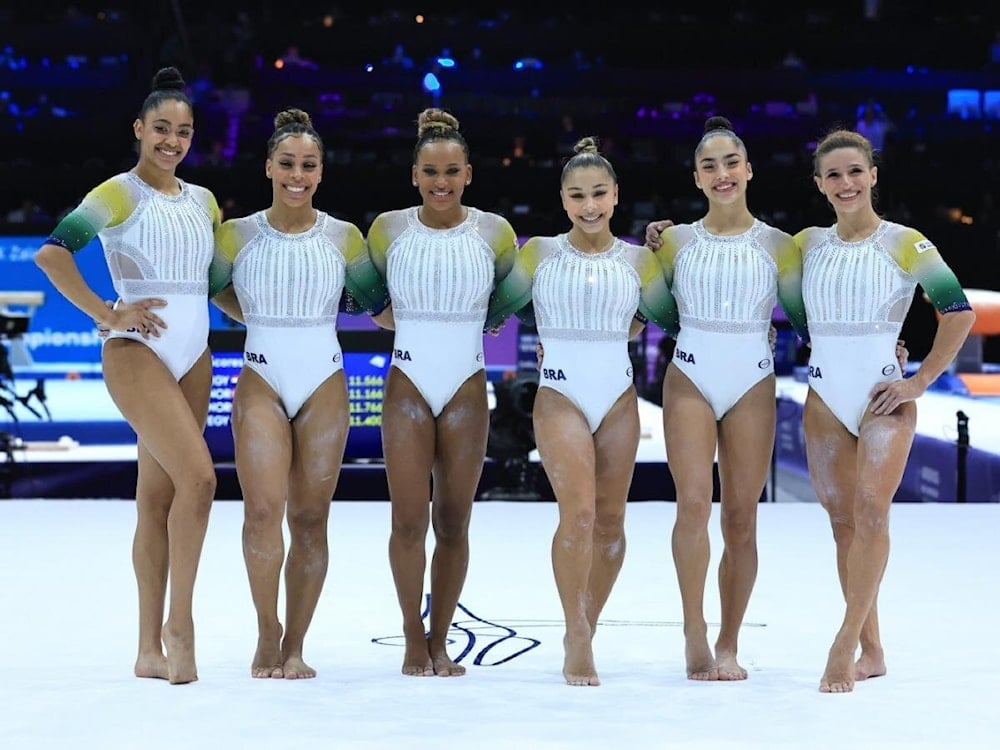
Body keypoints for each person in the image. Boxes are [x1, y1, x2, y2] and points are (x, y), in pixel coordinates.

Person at [33, 67, 221, 684]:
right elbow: (52, 253)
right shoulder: (118, 193)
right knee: (199, 480)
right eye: (161, 129)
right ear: (139, 130)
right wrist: (106, 311)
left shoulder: (203, 200)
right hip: (136, 352)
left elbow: (214, 284)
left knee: (158, 496)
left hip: (195, 355)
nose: (171, 141)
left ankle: (146, 648)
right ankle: (180, 626)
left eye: (183, 132)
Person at [486, 137, 679, 686]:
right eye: (578, 196)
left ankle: (586, 623)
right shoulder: (539, 254)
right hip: (561, 396)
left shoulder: (640, 260)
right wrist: (551, 334)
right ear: (563, 199)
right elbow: (499, 307)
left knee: (614, 520)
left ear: (616, 195)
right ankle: (575, 633)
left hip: (618, 398)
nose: (589, 205)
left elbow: (656, 319)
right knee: (580, 516)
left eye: (599, 193)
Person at [207, 108, 388, 679]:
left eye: (308, 165)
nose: (297, 174)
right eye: (287, 163)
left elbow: (380, 308)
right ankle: (267, 633)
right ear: (268, 167)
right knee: (262, 512)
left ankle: (297, 644)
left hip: (323, 381)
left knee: (310, 519)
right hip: (261, 376)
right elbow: (209, 292)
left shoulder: (344, 237)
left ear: (321, 172)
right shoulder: (235, 235)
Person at [796, 129, 974, 693]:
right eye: (834, 175)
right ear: (820, 185)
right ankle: (873, 651)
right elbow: (738, 237)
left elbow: (958, 312)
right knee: (843, 527)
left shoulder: (905, 242)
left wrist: (919, 380)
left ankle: (844, 643)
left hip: (882, 399)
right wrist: (662, 233)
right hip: (824, 398)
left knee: (872, 514)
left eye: (855, 172)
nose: (845, 183)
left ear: (873, 174)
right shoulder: (806, 244)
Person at [643, 116, 810, 681]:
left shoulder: (781, 247)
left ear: (749, 169)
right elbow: (642, 309)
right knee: (692, 507)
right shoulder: (673, 242)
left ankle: (729, 641)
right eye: (709, 166)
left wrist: (895, 343)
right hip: (690, 376)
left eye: (730, 163)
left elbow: (813, 322)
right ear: (696, 177)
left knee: (741, 520)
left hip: (751, 384)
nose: (722, 174)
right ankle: (693, 629)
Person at [365, 108, 519, 676]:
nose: (441, 183)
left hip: (465, 387)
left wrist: (488, 316)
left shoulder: (494, 232)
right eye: (430, 172)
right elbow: (366, 299)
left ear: (469, 173)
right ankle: (412, 635)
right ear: (414, 174)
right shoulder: (387, 229)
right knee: (408, 521)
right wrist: (412, 321)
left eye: (452, 171)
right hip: (408, 381)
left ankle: (442, 639)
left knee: (453, 522)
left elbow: (511, 298)